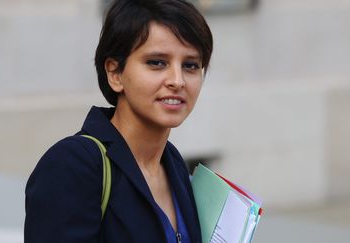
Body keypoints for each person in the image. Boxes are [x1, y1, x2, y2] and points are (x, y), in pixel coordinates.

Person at [24, 0, 213, 242]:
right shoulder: (73, 165)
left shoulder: (173, 163)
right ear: (115, 73)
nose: (177, 81)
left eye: (190, 65)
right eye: (157, 63)